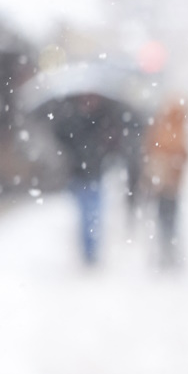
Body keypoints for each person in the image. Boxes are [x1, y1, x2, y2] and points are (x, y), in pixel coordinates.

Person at [49, 92, 125, 266]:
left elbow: (113, 141)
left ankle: (93, 249)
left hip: (95, 173)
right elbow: (62, 136)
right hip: (78, 174)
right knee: (85, 214)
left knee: (94, 213)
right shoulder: (72, 120)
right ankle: (88, 250)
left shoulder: (103, 119)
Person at [141, 96, 188, 269]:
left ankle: (165, 250)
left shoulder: (163, 129)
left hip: (166, 183)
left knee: (164, 217)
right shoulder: (174, 131)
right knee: (167, 217)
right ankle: (166, 250)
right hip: (167, 184)